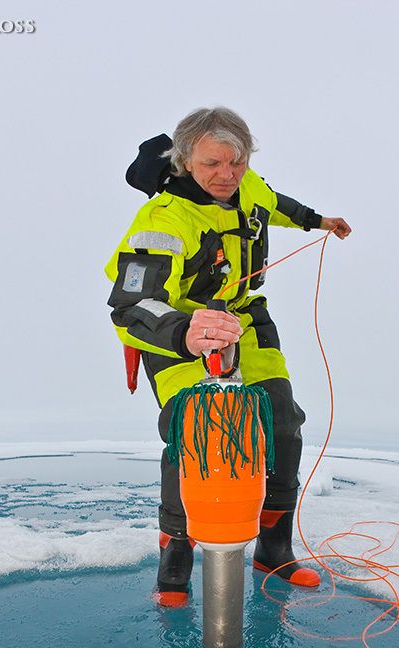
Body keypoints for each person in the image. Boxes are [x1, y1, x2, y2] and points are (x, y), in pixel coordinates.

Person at [105, 107, 351, 606]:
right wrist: (185, 332)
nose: (227, 175)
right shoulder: (161, 221)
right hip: (175, 328)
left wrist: (318, 221)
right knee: (191, 431)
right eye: (213, 164)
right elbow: (129, 306)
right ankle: (175, 555)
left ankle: (274, 549)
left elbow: (274, 203)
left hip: (242, 317)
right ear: (185, 161)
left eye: (236, 163)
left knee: (282, 422)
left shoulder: (245, 183)